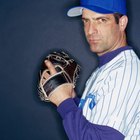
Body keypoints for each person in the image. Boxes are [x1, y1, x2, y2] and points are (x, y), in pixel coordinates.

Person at [44, 0, 140, 139]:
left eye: (101, 20)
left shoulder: (125, 73)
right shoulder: (109, 67)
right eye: (86, 21)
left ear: (122, 23)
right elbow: (94, 119)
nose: (90, 30)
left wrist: (64, 103)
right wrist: (71, 98)